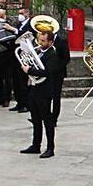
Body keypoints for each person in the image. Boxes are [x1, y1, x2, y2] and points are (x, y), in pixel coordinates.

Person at [19, 21, 63, 158]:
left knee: (47, 120)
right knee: (35, 118)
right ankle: (35, 145)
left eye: (43, 41)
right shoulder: (38, 52)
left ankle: (50, 147)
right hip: (34, 88)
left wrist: (29, 69)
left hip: (45, 90)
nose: (40, 42)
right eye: (39, 40)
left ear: (50, 42)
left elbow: (47, 72)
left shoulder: (53, 55)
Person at [0, 8, 18, 108]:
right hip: (1, 56)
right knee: (2, 79)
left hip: (3, 56)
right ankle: (3, 99)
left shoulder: (7, 26)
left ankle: (4, 99)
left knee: (3, 79)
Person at [10, 7, 33, 114]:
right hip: (17, 55)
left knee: (23, 81)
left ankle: (25, 104)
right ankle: (19, 102)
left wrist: (13, 29)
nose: (19, 15)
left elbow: (27, 35)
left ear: (27, 13)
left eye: (21, 13)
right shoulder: (19, 24)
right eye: (18, 13)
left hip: (26, 55)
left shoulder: (30, 24)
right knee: (16, 81)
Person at [50, 26, 72, 123]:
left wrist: (56, 68)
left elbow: (66, 58)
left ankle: (54, 118)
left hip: (58, 74)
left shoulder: (61, 41)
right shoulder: (42, 41)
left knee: (56, 96)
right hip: (46, 72)